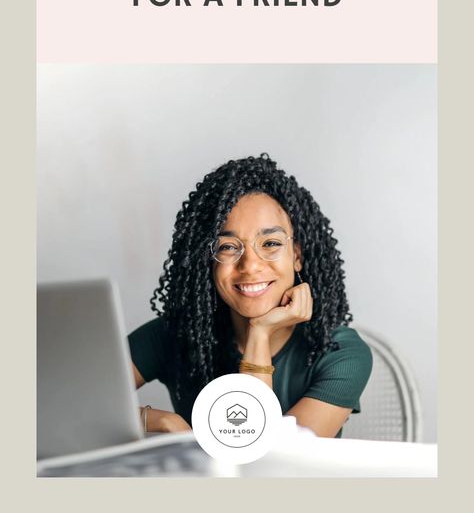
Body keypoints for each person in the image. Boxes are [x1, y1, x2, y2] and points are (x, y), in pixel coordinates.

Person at [128, 154, 372, 437]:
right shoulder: (174, 334)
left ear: (297, 256)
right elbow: (72, 405)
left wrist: (260, 332)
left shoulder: (341, 354)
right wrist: (158, 421)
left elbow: (264, 460)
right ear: (207, 260)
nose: (251, 265)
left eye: (270, 243)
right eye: (228, 247)